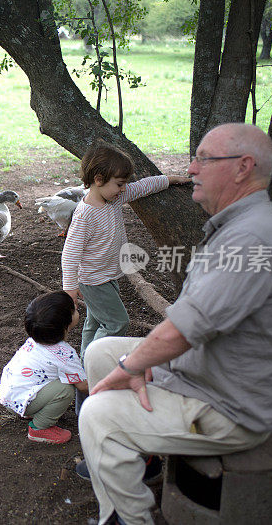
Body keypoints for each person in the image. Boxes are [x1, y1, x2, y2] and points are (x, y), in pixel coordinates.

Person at [77, 123, 272, 525]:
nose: (193, 168)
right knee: (100, 351)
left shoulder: (252, 238)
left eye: (204, 159)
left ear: (242, 168)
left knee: (98, 414)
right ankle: (142, 462)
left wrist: (132, 367)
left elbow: (184, 329)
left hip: (233, 404)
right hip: (209, 372)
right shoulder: (240, 226)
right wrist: (128, 365)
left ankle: (129, 520)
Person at [61, 143, 191, 412]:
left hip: (109, 276)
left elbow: (143, 186)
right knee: (118, 322)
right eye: (119, 184)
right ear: (98, 180)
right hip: (93, 280)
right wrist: (70, 289)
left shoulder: (115, 197)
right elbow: (70, 254)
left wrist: (171, 179)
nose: (123, 189)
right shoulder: (84, 214)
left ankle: (86, 362)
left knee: (95, 321)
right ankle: (93, 365)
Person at [0, 291, 87, 444]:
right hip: (24, 403)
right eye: (74, 310)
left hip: (10, 398)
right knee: (66, 389)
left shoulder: (34, 340)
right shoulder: (65, 354)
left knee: (58, 380)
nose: (76, 310)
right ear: (66, 324)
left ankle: (33, 409)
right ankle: (39, 428)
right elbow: (83, 386)